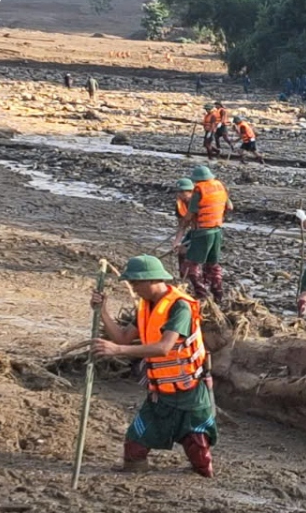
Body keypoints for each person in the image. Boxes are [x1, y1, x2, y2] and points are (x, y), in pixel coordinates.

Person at [91, 255, 216, 476]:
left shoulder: (180, 307)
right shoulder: (146, 307)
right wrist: (102, 312)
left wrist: (117, 351)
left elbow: (163, 347)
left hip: (189, 390)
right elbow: (122, 338)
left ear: (151, 280)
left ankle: (201, 472)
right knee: (134, 446)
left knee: (198, 452)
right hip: (160, 392)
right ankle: (136, 472)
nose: (134, 289)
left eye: (136, 283)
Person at [178, 165, 232, 302]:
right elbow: (230, 207)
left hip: (202, 232)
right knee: (212, 264)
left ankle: (201, 293)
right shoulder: (220, 186)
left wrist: (182, 230)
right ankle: (218, 294)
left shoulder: (199, 190)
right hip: (216, 230)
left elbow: (190, 214)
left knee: (192, 265)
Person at [170, 178, 195, 279]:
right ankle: (183, 278)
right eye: (179, 192)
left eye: (183, 192)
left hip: (203, 231)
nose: (180, 195)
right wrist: (176, 242)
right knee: (181, 251)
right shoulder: (180, 203)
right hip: (193, 230)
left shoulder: (199, 201)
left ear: (190, 191)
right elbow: (182, 226)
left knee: (195, 257)